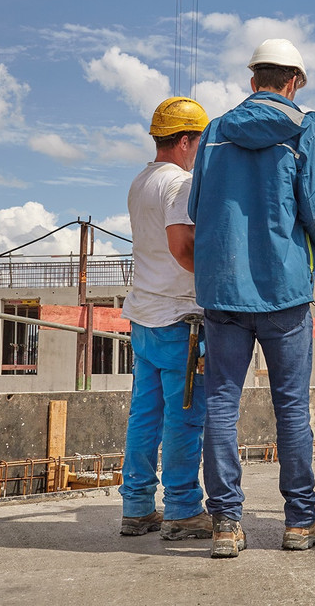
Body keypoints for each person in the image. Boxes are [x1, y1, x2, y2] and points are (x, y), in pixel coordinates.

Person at [189, 38, 315, 559]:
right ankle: (300, 524)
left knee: (220, 402)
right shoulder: (305, 128)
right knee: (291, 407)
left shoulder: (215, 131)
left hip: (223, 289)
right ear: (295, 81)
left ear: (252, 77)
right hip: (283, 290)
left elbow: (196, 206)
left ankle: (226, 524)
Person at [119, 96, 213, 541]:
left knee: (145, 415)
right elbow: (183, 248)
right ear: (185, 141)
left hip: (144, 316)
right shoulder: (179, 183)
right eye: (200, 142)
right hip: (180, 318)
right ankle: (182, 508)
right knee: (184, 417)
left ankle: (137, 506)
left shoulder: (141, 181)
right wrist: (221, 279)